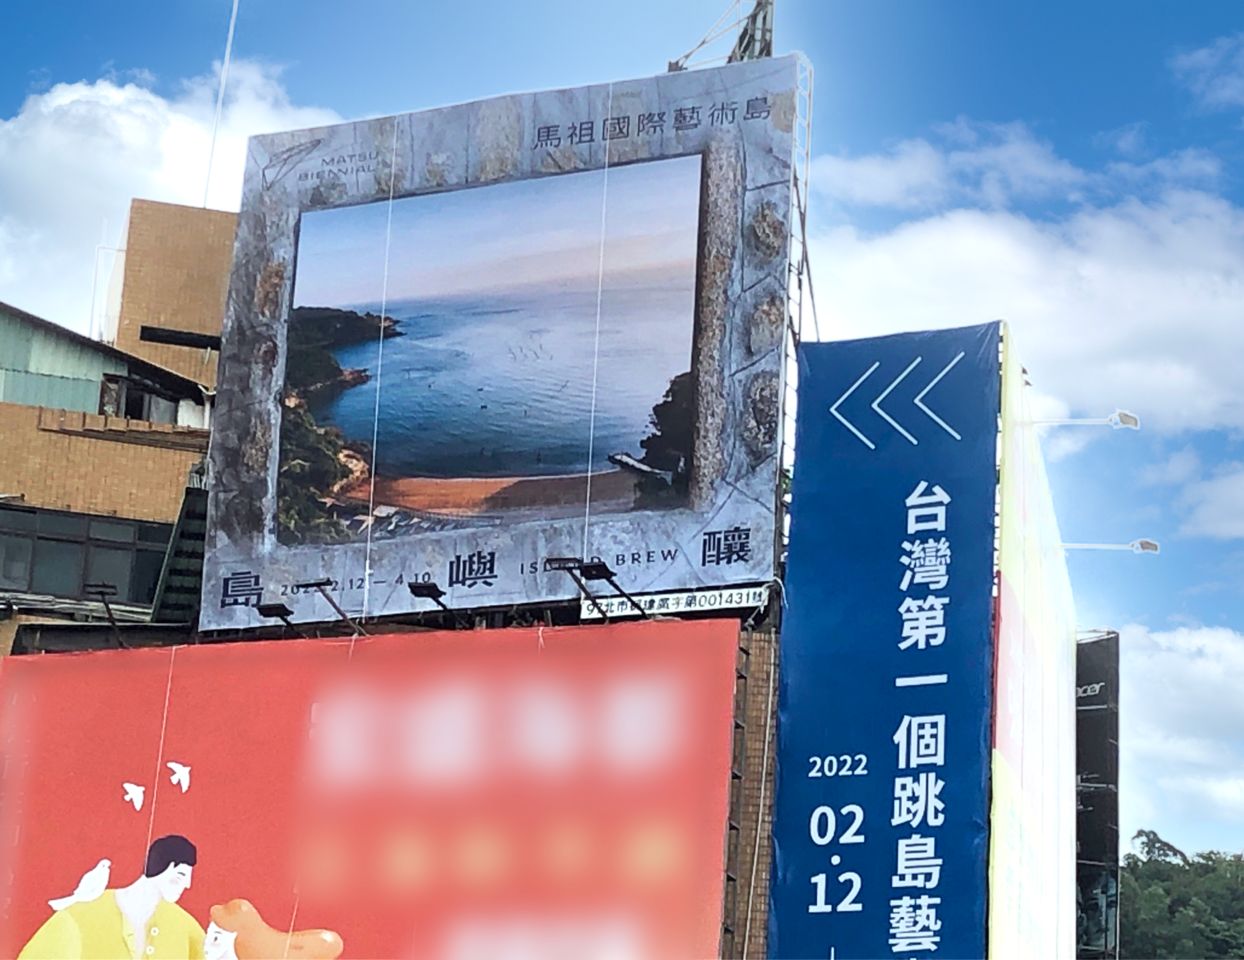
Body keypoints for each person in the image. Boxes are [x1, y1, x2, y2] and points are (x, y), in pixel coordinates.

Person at [18, 835, 206, 959]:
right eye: (181, 875)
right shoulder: (80, 915)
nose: (187, 885)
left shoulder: (186, 927)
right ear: (165, 867)